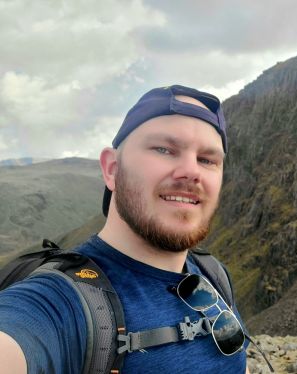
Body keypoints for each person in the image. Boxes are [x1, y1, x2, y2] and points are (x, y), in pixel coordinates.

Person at [0, 85, 252, 373]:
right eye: (164, 149)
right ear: (111, 169)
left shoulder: (213, 276)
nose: (191, 171)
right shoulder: (63, 302)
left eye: (207, 160)